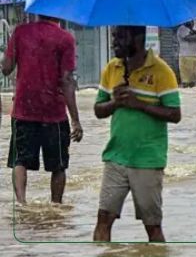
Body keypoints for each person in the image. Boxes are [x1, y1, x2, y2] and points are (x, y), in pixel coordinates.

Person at [93, 26, 181, 243]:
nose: (115, 42)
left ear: (138, 39)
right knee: (103, 218)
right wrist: (116, 102)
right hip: (115, 157)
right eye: (114, 37)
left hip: (147, 159)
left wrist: (138, 104)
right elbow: (98, 109)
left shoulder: (162, 71)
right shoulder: (112, 69)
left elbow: (175, 114)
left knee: (152, 226)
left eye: (120, 37)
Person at [2, 15, 81, 204]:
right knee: (58, 166)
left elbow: (6, 68)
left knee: (19, 161)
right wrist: (76, 120)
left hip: (23, 110)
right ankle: (56, 207)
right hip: (54, 113)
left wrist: (8, 55)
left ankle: (21, 204)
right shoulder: (66, 38)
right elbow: (67, 81)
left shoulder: (20, 32)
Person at [176, 21, 196, 88]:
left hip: (195, 55)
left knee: (193, 80)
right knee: (186, 81)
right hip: (185, 56)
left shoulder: (195, 30)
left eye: (193, 20)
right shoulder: (182, 29)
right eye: (190, 21)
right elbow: (187, 38)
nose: (192, 22)